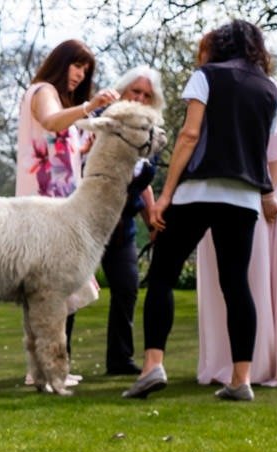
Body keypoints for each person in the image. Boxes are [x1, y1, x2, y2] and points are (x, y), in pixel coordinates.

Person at [124, 20, 277, 401]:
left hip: (198, 190)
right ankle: (241, 379)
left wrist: (164, 196)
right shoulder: (271, 89)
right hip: (244, 196)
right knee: (236, 284)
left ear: (220, 45)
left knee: (162, 274)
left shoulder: (205, 76)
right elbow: (266, 149)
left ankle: (152, 365)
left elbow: (190, 135)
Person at [194, 52, 277, 387]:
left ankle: (252, 362)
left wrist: (268, 193)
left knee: (250, 275)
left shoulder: (265, 89)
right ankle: (231, 363)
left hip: (248, 195)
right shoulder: (221, 86)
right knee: (232, 278)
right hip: (226, 191)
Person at [15, 39, 118, 386]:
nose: (79, 75)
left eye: (85, 70)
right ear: (61, 63)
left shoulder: (63, 104)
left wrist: (90, 140)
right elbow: (50, 121)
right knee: (51, 289)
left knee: (56, 292)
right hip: (45, 205)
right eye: (76, 66)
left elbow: (65, 144)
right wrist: (89, 107)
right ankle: (43, 370)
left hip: (59, 203)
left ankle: (49, 368)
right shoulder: (43, 91)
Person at [99, 66, 165, 376]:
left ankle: (119, 360)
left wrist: (152, 217)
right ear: (122, 91)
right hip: (89, 220)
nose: (139, 98)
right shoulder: (103, 121)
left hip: (123, 224)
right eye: (134, 92)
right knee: (70, 290)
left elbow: (143, 181)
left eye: (146, 95)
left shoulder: (147, 134)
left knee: (127, 287)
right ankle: (61, 358)